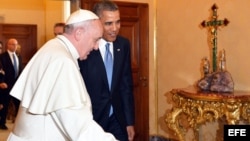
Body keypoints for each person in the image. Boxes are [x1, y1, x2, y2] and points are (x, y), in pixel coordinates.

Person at [7, 9, 117, 141]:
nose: (96, 47)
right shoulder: (62, 61)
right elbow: (78, 126)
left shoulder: (53, 48)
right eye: (96, 39)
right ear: (79, 33)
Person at [78, 1, 135, 141]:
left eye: (118, 22)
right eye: (109, 23)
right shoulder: (85, 47)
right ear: (97, 23)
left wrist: (129, 122)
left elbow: (125, 85)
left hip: (118, 120)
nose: (115, 28)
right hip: (92, 120)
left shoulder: (123, 44)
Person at [0, 38, 22, 130]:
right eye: (13, 44)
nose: (15, 46)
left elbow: (20, 70)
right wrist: (1, 81)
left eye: (16, 44)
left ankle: (18, 123)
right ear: (8, 45)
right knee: (5, 104)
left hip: (17, 85)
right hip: (6, 85)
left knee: (18, 105)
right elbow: (0, 70)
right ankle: (2, 123)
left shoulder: (19, 56)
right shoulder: (2, 56)